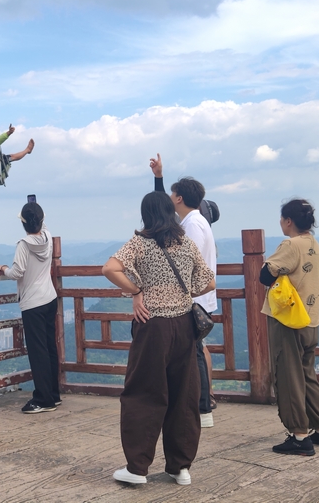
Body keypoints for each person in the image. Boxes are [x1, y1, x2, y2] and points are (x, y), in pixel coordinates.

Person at [102, 191, 215, 486]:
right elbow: (209, 280)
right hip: (183, 327)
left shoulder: (140, 243)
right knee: (183, 395)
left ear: (146, 215)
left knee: (143, 394)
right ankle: (180, 468)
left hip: (152, 326)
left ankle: (137, 468)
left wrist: (138, 292)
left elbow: (109, 269)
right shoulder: (185, 243)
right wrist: (182, 293)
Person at [259, 198, 319, 455]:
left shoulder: (290, 244)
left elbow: (265, 274)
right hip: (311, 319)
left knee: (289, 376)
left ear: (289, 221)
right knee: (307, 375)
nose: (281, 223)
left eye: (282, 219)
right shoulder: (314, 243)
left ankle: (300, 436)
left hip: (289, 321)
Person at [150, 154, 217, 428]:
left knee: (195, 353)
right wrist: (159, 177)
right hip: (197, 297)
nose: (170, 198)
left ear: (178, 198)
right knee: (196, 351)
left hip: (195, 299)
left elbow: (188, 261)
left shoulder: (193, 225)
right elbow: (162, 211)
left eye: (172, 193)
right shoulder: (194, 221)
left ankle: (203, 409)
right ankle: (200, 405)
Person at [0, 202, 60, 414]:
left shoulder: (23, 244)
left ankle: (43, 399)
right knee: (49, 348)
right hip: (50, 298)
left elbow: (16, 272)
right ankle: (53, 395)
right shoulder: (47, 237)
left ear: (23, 224)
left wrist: (4, 268)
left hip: (33, 303)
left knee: (38, 351)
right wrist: (36, 209)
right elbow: (42, 223)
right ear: (41, 221)